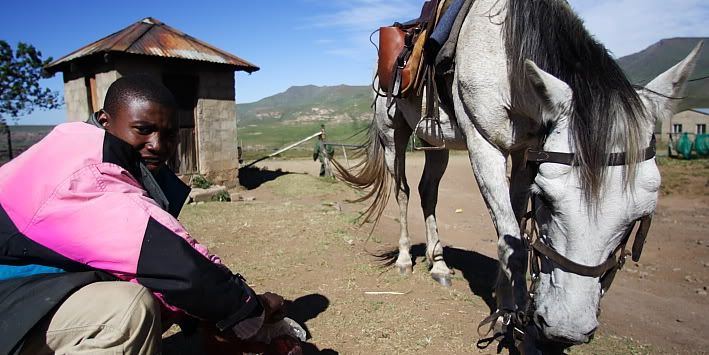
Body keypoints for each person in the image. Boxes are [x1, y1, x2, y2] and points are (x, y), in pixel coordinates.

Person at [0, 75, 289, 354]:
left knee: (158, 292)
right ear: (105, 120)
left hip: (27, 294)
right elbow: (176, 264)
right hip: (11, 300)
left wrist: (205, 314)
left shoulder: (95, 154)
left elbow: (163, 261)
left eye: (170, 135)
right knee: (126, 309)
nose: (158, 145)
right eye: (143, 129)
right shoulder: (89, 175)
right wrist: (251, 308)